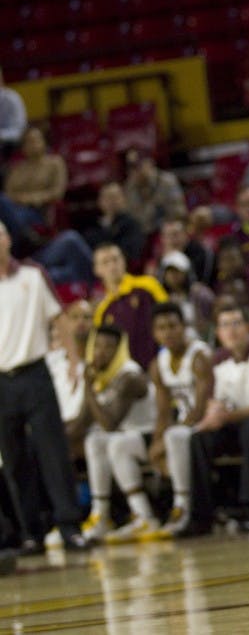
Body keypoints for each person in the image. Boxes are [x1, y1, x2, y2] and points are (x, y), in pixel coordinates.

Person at [0, 220, 88, 554]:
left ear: (9, 239)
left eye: (1, 235)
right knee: (14, 458)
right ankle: (31, 532)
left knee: (54, 452)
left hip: (35, 373)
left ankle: (69, 526)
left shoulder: (32, 276)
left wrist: (74, 359)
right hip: (1, 381)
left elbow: (59, 319)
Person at [187, 303, 249, 534]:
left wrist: (228, 416)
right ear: (218, 333)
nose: (231, 331)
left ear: (248, 327)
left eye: (236, 324)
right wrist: (213, 414)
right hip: (235, 424)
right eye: (224, 326)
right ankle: (202, 515)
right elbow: (213, 402)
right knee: (199, 438)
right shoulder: (217, 360)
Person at [74, 324, 157, 544]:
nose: (101, 352)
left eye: (109, 347)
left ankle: (144, 516)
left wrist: (89, 387)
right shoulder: (100, 375)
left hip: (149, 435)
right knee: (93, 440)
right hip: (126, 439)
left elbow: (110, 423)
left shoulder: (129, 375)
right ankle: (100, 514)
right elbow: (82, 423)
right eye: (97, 346)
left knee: (114, 442)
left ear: (120, 350)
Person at [144, 302, 212, 539]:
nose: (168, 332)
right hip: (185, 427)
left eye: (173, 326)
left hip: (209, 421)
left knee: (175, 436)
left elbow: (202, 407)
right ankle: (146, 516)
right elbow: (163, 412)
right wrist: (155, 443)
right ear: (154, 333)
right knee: (169, 439)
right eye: (161, 328)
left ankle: (182, 507)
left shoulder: (199, 356)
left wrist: (166, 439)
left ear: (184, 327)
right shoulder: (157, 364)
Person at [93, 242, 169, 369]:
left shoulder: (148, 285)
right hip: (126, 375)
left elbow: (169, 316)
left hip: (159, 365)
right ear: (97, 270)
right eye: (105, 262)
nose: (112, 266)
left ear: (124, 261)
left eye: (115, 259)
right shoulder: (102, 310)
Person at [0, 127, 66, 255]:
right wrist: (21, 200)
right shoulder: (17, 169)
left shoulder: (55, 163)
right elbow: (8, 194)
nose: (32, 145)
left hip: (39, 212)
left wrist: (30, 199)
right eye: (28, 142)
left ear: (44, 142)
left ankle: (14, 252)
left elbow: (57, 192)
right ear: (23, 147)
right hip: (14, 209)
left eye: (36, 140)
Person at [122, 149, 184, 236]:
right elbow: (132, 217)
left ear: (149, 163)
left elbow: (178, 213)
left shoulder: (167, 182)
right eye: (130, 166)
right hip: (142, 234)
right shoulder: (129, 186)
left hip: (166, 232)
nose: (133, 170)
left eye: (137, 165)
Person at [83, 181, 147, 265]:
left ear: (123, 199)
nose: (111, 201)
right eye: (107, 197)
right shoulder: (93, 224)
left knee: (70, 239)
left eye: (115, 197)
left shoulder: (132, 224)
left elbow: (130, 253)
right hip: (92, 265)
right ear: (99, 201)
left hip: (114, 266)